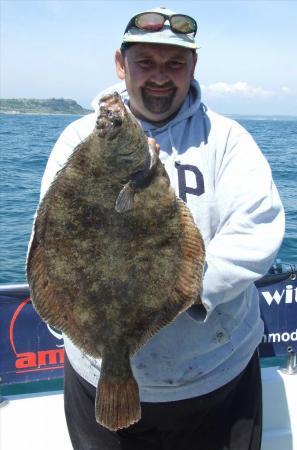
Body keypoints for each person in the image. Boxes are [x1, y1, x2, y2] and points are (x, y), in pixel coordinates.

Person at [36, 6, 285, 450]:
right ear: (120, 64)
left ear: (192, 68)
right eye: (144, 62)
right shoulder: (76, 140)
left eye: (174, 64)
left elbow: (258, 228)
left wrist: (186, 290)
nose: (159, 77)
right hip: (95, 376)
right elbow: (52, 240)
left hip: (216, 376)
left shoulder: (227, 139)